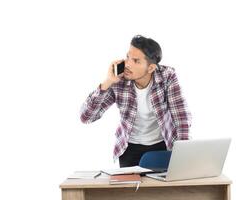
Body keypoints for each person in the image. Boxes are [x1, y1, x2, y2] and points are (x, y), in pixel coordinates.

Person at [80, 35, 191, 167]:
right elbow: (86, 117)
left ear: (151, 68)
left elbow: (181, 116)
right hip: (129, 148)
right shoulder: (118, 80)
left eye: (136, 61)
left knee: (161, 187)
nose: (127, 64)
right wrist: (108, 82)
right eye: (127, 57)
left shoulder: (167, 76)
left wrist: (184, 155)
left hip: (161, 145)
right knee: (130, 188)